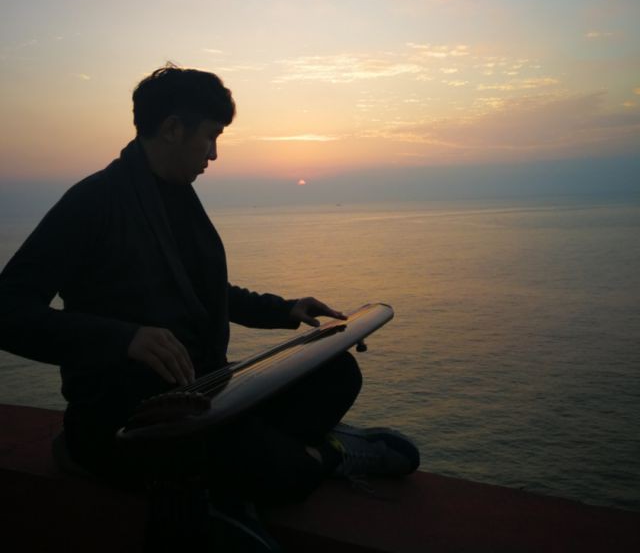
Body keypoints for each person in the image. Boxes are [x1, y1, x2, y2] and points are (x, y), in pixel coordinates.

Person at [0, 65, 419, 549]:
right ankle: (328, 454)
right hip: (127, 419)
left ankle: (250, 463)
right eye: (211, 137)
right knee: (284, 472)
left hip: (208, 396)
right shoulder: (92, 202)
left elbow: (207, 292)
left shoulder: (178, 197)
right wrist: (123, 339)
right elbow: (8, 310)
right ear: (172, 128)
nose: (214, 154)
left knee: (338, 372)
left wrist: (283, 310)